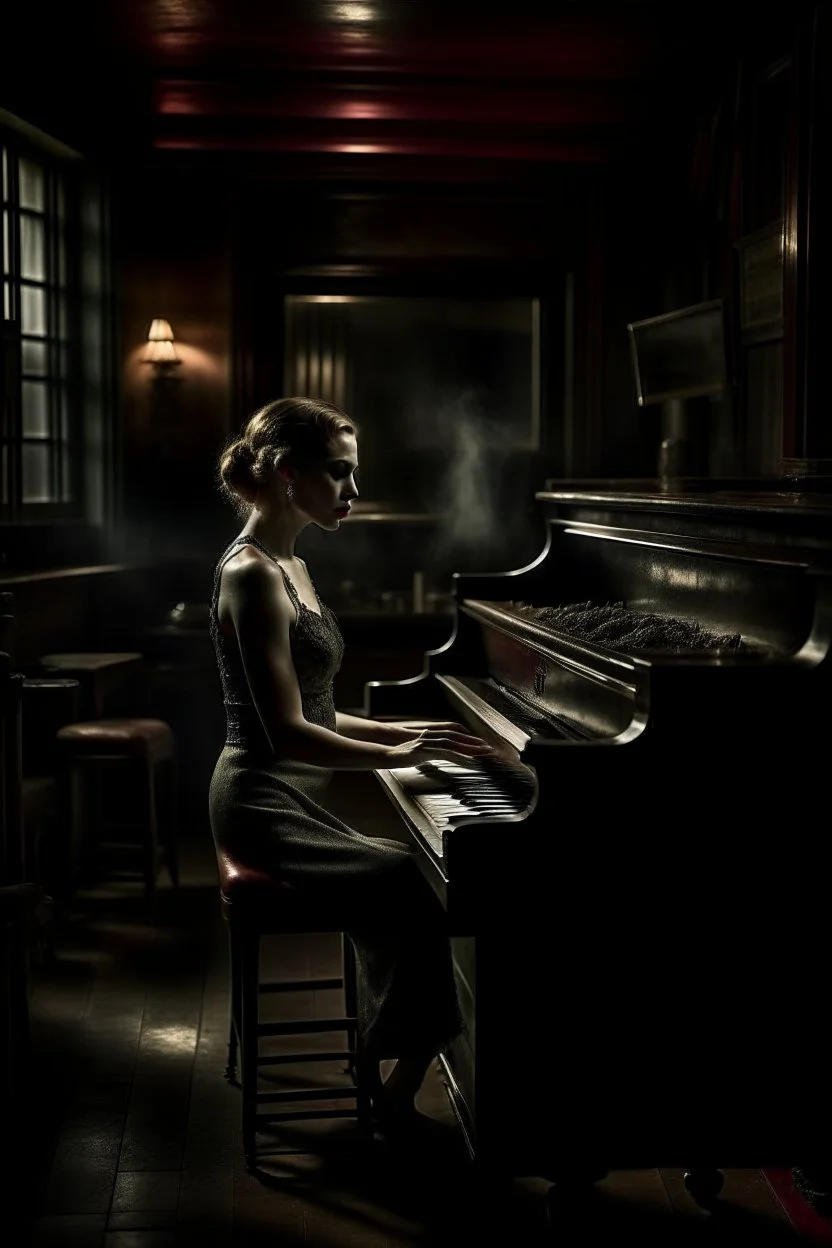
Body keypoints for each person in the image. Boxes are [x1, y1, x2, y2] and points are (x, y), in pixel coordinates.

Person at [208, 396, 493, 1134]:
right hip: (259, 798)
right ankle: (391, 1074)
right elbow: (286, 733)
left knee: (406, 875)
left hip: (294, 794)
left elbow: (320, 708)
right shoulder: (252, 575)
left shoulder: (292, 563)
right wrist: (399, 753)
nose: (352, 492)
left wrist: (406, 727)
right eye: (339, 474)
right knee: (405, 872)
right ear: (285, 473)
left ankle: (382, 1059)